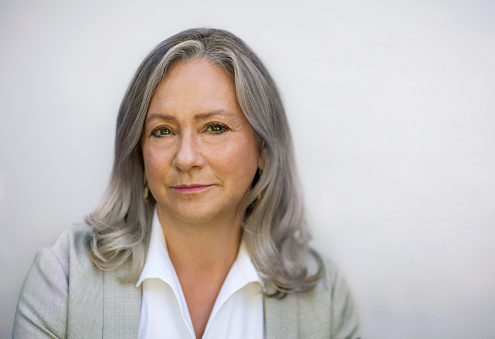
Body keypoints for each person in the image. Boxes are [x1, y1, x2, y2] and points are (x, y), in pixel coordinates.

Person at [13, 28, 360, 339]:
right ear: (138, 152)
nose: (186, 158)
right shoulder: (64, 277)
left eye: (214, 128)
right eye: (163, 131)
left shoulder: (325, 297)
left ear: (264, 151)